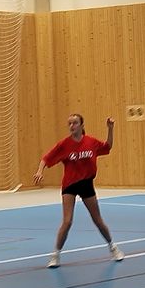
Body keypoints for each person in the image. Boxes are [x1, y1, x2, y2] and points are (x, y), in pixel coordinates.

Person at [34, 113, 122, 267]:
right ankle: (55, 255)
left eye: (75, 123)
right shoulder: (64, 145)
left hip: (86, 184)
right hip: (70, 185)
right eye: (69, 123)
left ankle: (113, 247)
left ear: (81, 125)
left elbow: (107, 146)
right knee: (67, 221)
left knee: (97, 220)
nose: (71, 126)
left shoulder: (91, 142)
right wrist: (40, 171)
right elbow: (46, 159)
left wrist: (110, 129)